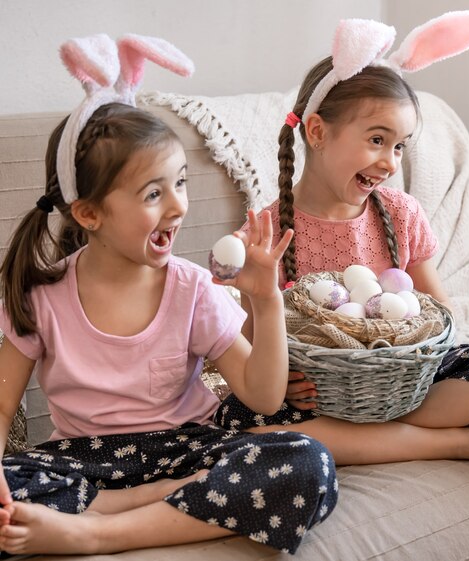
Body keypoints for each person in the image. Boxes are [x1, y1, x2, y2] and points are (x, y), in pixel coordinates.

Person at [0, 34, 337, 557]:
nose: (178, 206)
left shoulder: (192, 287)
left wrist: (265, 300)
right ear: (89, 214)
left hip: (189, 448)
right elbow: (3, 406)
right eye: (154, 193)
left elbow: (264, 398)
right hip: (85, 460)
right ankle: (160, 503)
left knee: (306, 463)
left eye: (179, 183)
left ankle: (97, 529)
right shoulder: (40, 295)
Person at [218, 13, 469, 473]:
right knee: (241, 422)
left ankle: (373, 437)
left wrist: (402, 363)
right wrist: (281, 379)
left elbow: (441, 320)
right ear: (317, 132)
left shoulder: (400, 212)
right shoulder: (268, 230)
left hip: (405, 384)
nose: (390, 163)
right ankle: (457, 443)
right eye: (378, 140)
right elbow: (250, 350)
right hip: (317, 396)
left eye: (400, 146)